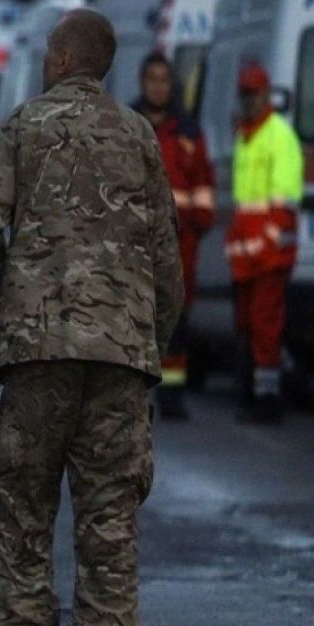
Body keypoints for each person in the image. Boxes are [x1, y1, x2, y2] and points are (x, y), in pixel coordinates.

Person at [0, 10, 183, 626]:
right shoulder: (137, 135)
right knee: (110, 517)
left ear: (65, 60)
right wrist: (148, 345)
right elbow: (167, 259)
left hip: (37, 351)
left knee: (23, 508)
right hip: (120, 356)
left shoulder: (24, 127)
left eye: (52, 51)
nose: (47, 61)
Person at [130, 52, 215, 420]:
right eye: (152, 79)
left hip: (179, 245)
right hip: (132, 243)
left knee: (176, 322)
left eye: (164, 79)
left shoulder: (188, 131)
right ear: (142, 82)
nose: (158, 87)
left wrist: (199, 222)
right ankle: (133, 395)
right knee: (134, 320)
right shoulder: (127, 124)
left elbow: (203, 183)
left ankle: (173, 396)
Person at [225, 63, 303, 424]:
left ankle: (268, 399)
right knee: (248, 325)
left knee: (264, 325)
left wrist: (264, 244)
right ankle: (258, 392)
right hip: (249, 255)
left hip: (269, 256)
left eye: (253, 94)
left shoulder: (278, 136)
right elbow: (244, 204)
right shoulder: (246, 137)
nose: (248, 100)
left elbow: (283, 203)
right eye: (244, 94)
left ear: (266, 95)